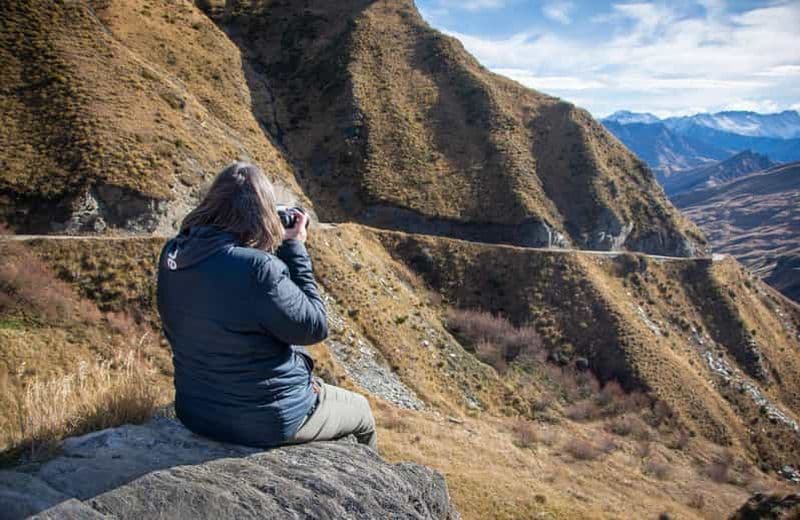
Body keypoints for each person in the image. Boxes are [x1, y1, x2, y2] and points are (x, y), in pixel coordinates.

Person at [156, 162, 377, 450]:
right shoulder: (259, 269)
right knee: (362, 412)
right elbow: (314, 326)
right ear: (261, 213)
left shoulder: (174, 253)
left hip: (196, 413)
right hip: (264, 420)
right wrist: (294, 247)